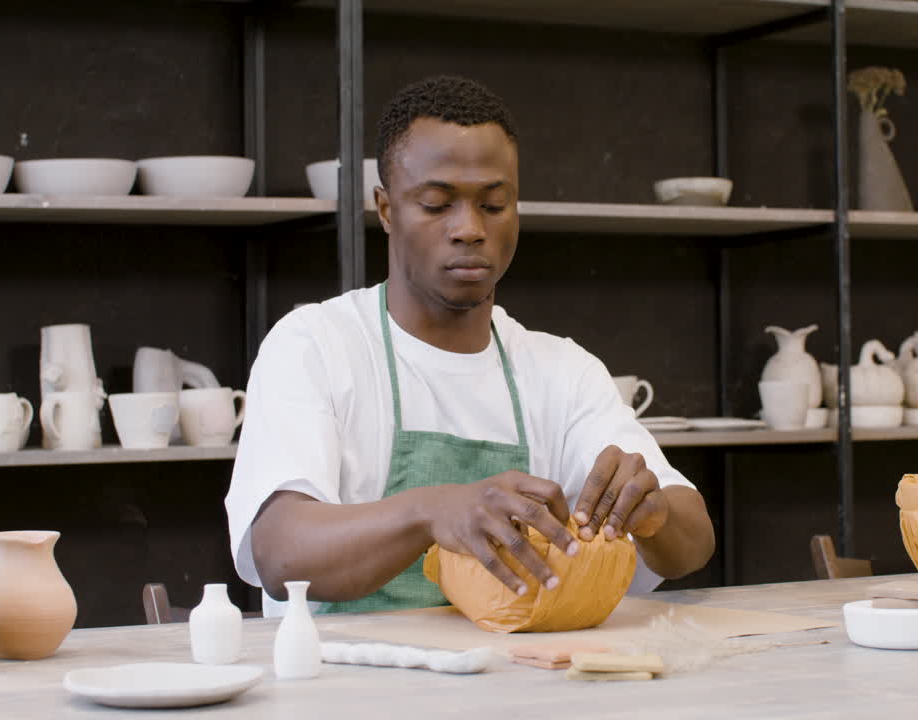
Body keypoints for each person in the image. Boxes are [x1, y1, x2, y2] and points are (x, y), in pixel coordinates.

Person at [225, 75, 715, 614]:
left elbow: (693, 543)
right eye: (437, 204)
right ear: (386, 210)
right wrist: (429, 512)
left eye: (494, 203)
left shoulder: (561, 370)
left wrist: (653, 515)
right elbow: (280, 554)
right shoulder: (316, 345)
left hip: (515, 682)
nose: (469, 228)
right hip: (347, 685)